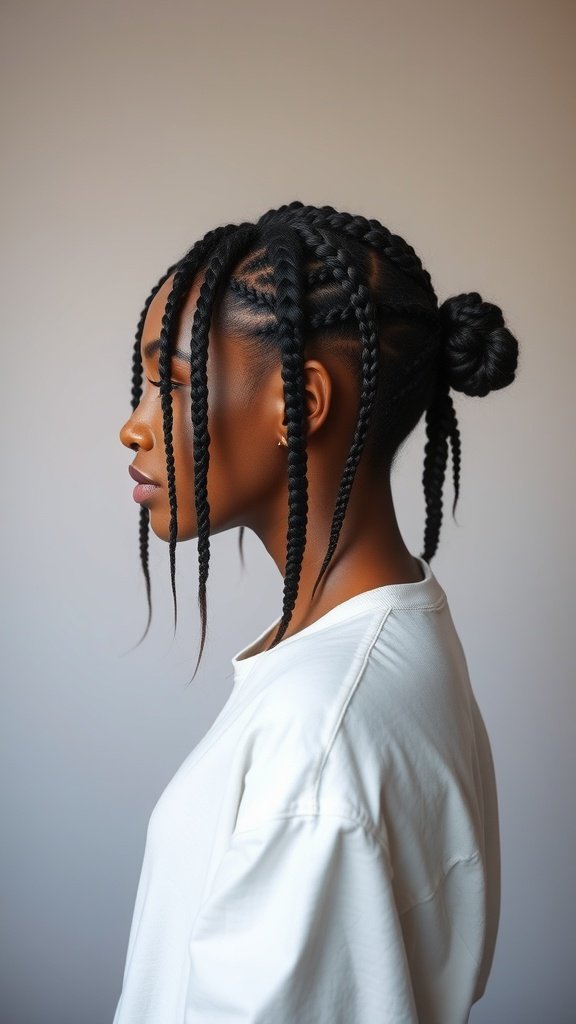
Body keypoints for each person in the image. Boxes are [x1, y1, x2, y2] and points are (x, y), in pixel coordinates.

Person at [115, 201, 519, 1023]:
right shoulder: (398, 634)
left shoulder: (317, 744)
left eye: (173, 383)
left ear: (298, 405)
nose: (135, 427)